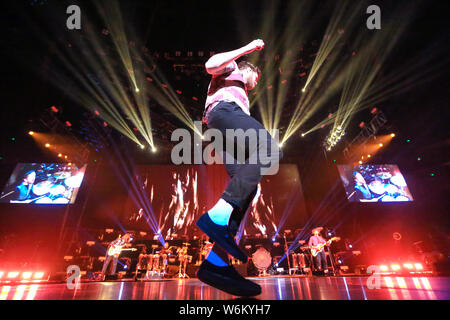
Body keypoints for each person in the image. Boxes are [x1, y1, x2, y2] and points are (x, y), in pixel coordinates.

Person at [195, 39, 282, 296]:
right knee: (269, 149)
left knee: (248, 190)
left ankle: (216, 264)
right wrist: (250, 47)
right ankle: (216, 216)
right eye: (256, 78)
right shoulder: (233, 67)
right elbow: (211, 64)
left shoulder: (240, 93)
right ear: (249, 70)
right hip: (224, 113)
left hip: (222, 126)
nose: (256, 84)